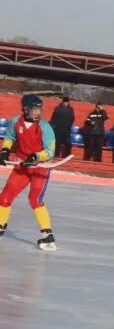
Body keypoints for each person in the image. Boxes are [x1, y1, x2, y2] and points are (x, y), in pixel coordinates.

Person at [0, 94, 58, 251]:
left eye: (40, 109)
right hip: (22, 166)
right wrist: (5, 150)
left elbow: (50, 151)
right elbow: (10, 137)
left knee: (35, 199)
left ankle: (47, 235)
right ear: (26, 110)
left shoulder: (45, 127)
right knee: (5, 197)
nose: (38, 113)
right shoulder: (15, 122)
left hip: (40, 168)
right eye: (35, 110)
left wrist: (36, 156)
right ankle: (1, 225)